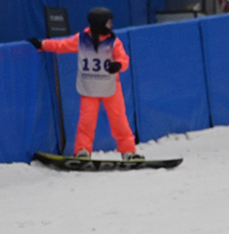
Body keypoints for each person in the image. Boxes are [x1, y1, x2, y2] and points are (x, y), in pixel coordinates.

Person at [29, 7, 143, 160]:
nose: (111, 25)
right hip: (89, 88)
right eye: (108, 22)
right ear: (100, 23)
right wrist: (42, 45)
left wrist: (118, 65)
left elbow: (124, 59)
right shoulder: (81, 39)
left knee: (119, 122)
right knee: (86, 122)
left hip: (110, 89)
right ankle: (82, 151)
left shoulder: (114, 42)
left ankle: (128, 151)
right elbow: (62, 45)